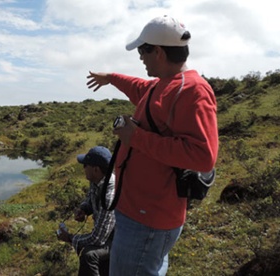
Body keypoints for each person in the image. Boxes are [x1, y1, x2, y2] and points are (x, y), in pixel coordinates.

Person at [86, 15, 219, 276]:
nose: (140, 58)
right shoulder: (163, 85)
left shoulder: (192, 90)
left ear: (157, 51)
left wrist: (134, 137)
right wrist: (111, 77)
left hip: (148, 218)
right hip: (139, 212)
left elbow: (203, 156)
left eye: (142, 51)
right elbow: (140, 88)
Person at [57, 146, 116, 276]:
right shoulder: (97, 180)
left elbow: (98, 238)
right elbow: (90, 198)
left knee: (89, 255)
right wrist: (84, 209)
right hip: (108, 236)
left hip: (118, 241)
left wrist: (70, 238)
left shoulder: (109, 196)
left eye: (85, 165)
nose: (83, 168)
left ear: (96, 169)